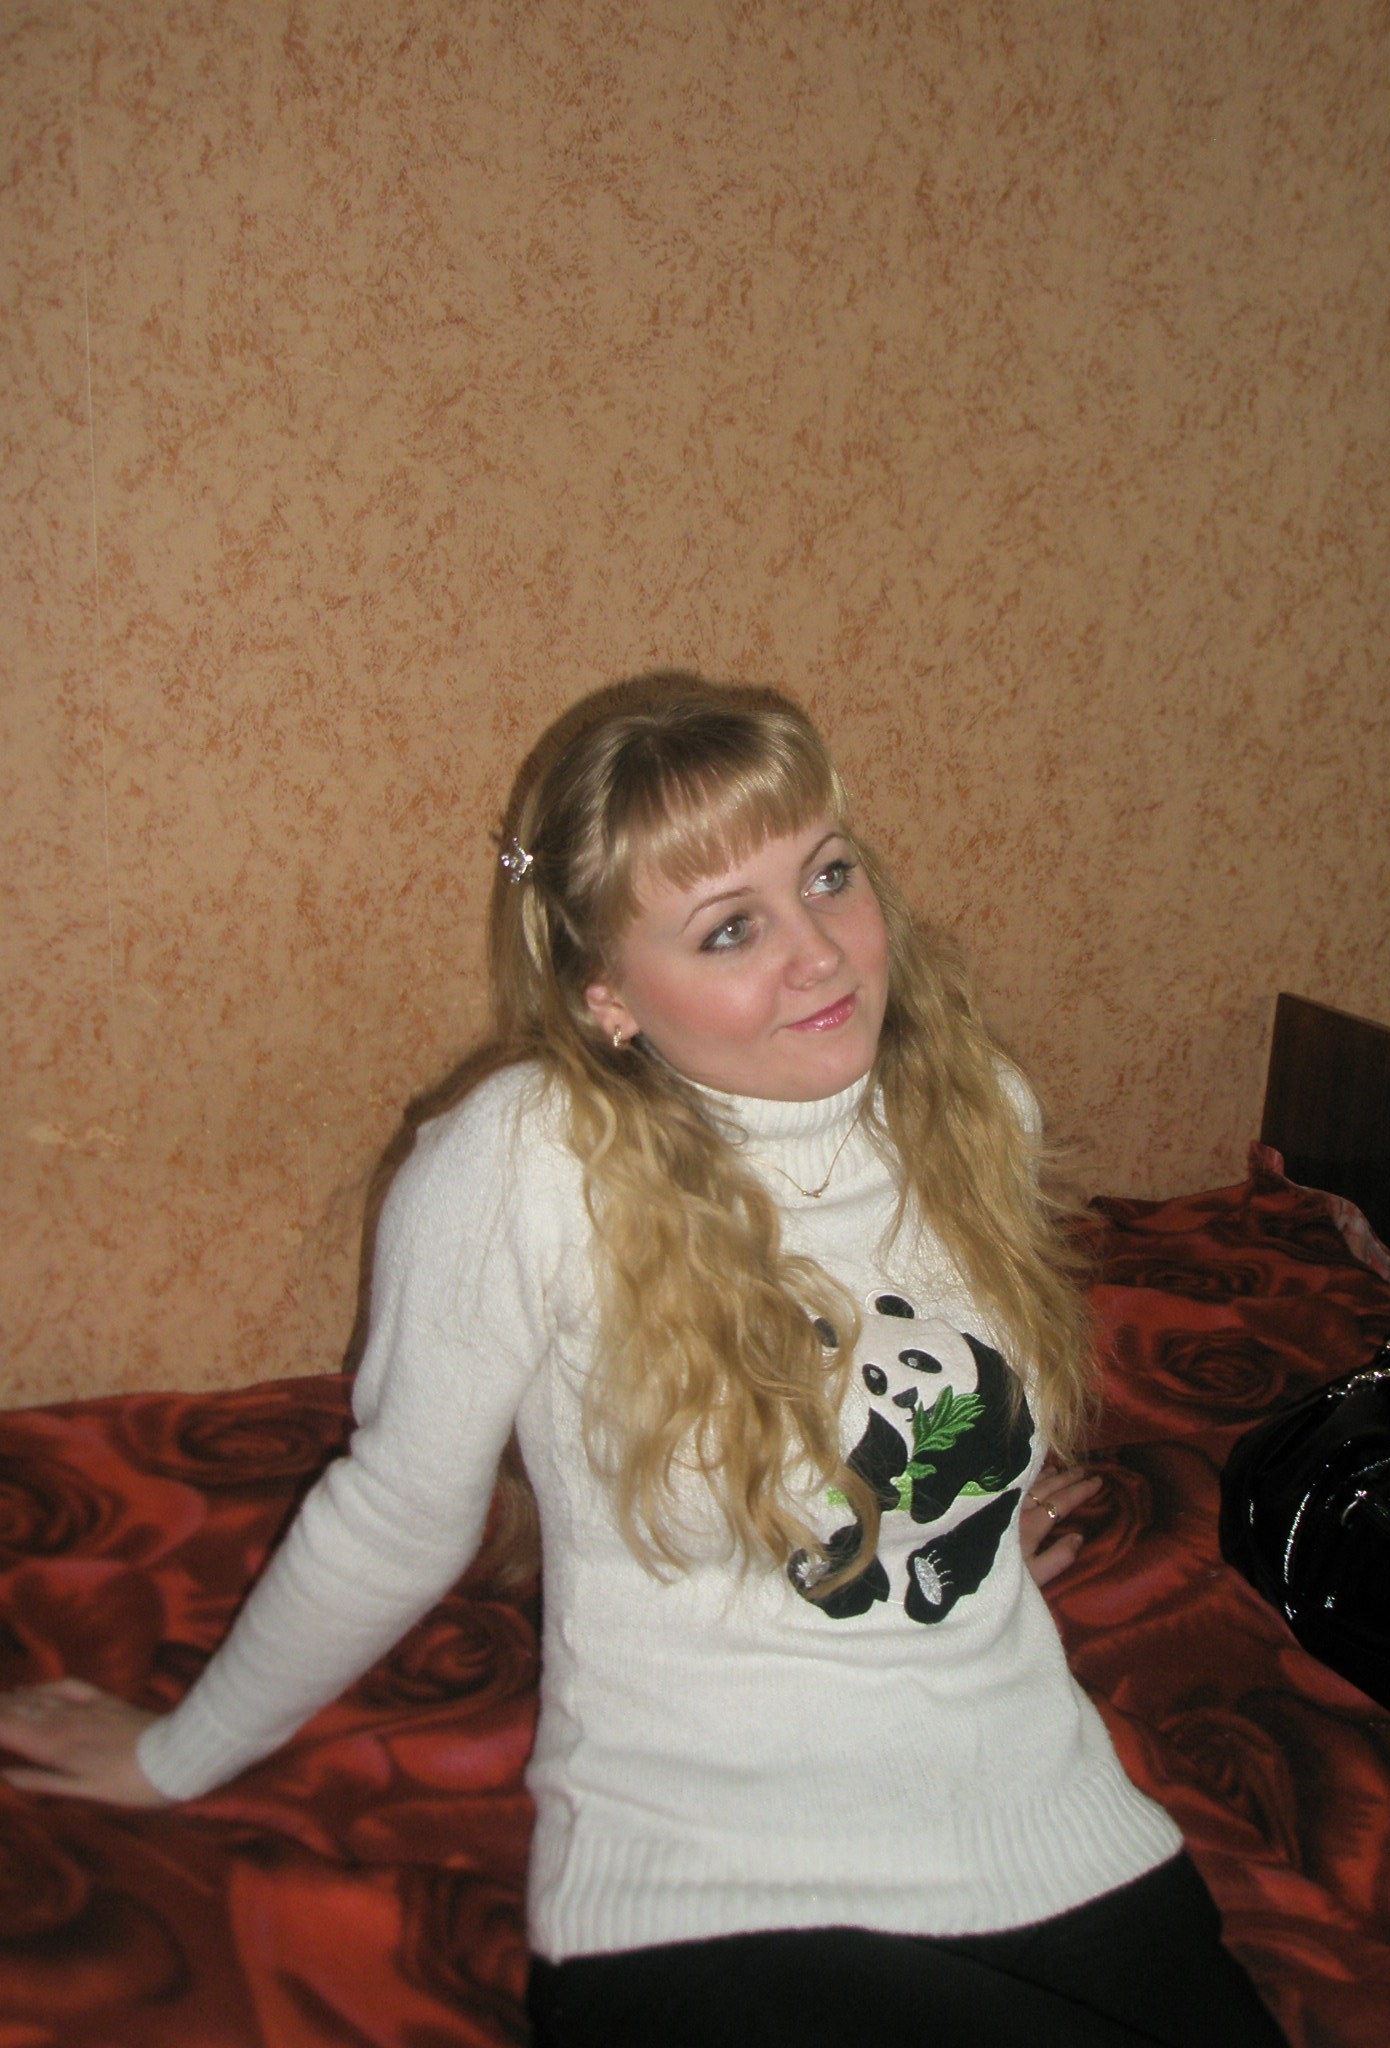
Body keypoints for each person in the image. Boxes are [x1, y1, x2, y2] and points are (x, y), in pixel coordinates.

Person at [0, 677, 1285, 2047]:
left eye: (829, 876)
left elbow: (927, 1409)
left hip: (1050, 1827)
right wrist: (174, 1755)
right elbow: (395, 1509)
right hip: (704, 1886)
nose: (822, 954)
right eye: (731, 927)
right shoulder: (528, 1157)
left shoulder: (977, 1111)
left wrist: (965, 1527)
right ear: (608, 995)